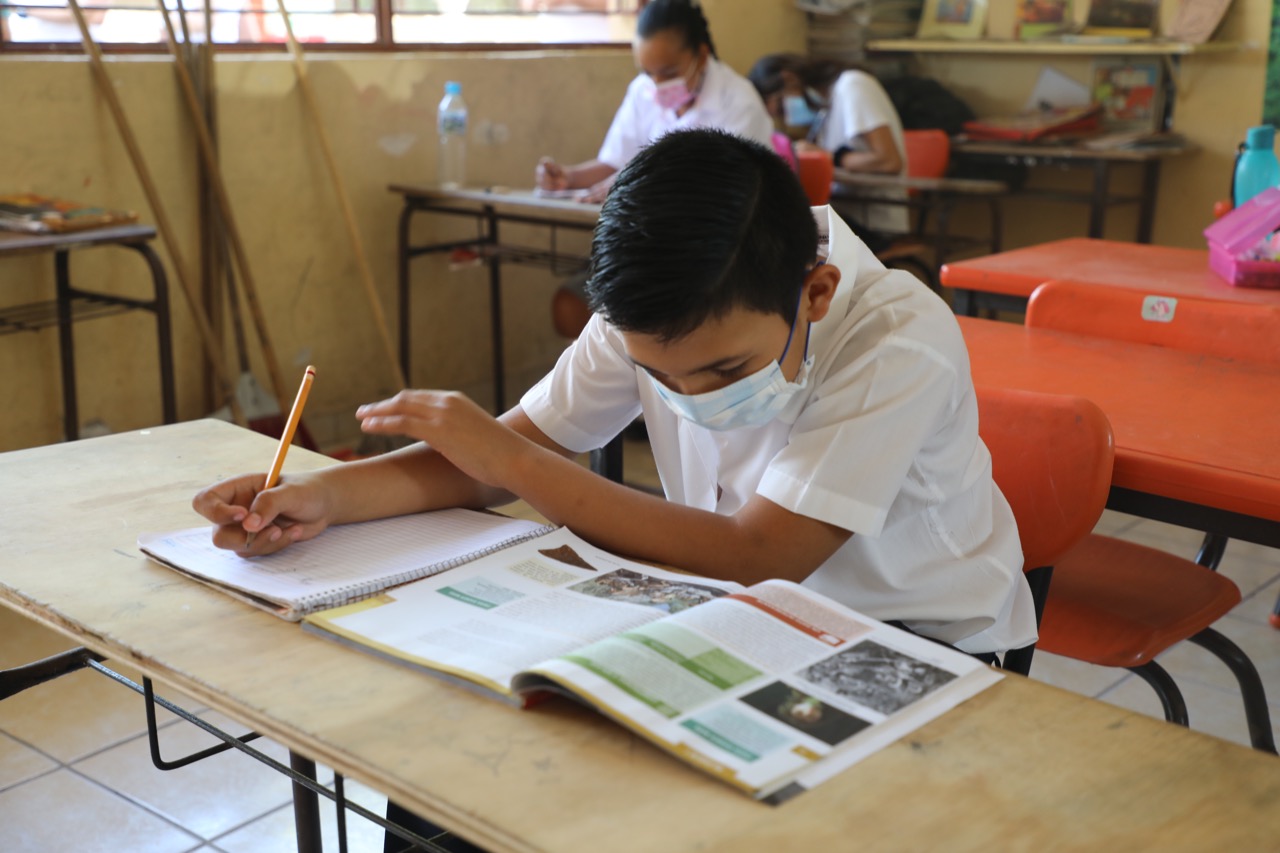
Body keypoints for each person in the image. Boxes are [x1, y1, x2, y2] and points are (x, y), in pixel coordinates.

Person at [196, 129, 1034, 850]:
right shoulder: (646, 311)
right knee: (462, 751)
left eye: (725, 370)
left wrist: (517, 464)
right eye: (656, 375)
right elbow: (499, 456)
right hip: (747, 614)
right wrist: (328, 496)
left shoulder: (897, 335)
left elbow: (761, 552)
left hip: (920, 645)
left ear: (814, 291)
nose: (691, 395)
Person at [537, 0, 775, 338]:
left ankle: (651, 382)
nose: (658, 84)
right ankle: (630, 384)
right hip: (651, 247)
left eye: (669, 72)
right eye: (648, 73)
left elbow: (731, 195)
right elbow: (614, 161)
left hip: (715, 254)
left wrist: (632, 185)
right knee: (570, 307)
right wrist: (570, 178)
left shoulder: (738, 103)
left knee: (637, 319)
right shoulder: (642, 93)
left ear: (702, 55)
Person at [749, 53, 909, 254]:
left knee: (781, 236)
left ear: (789, 78)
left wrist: (828, 157)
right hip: (841, 213)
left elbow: (889, 161)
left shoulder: (853, 85)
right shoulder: (825, 106)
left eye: (781, 106)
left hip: (871, 222)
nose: (787, 115)